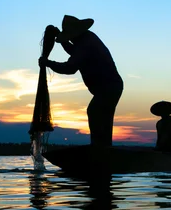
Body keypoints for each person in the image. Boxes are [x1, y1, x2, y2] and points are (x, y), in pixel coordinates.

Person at [39, 15, 123, 148]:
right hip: (109, 87)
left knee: (96, 112)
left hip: (109, 87)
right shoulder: (86, 39)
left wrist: (48, 63)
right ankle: (102, 147)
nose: (70, 39)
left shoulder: (86, 44)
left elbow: (70, 67)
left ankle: (100, 148)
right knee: (101, 116)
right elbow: (74, 52)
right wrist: (61, 38)